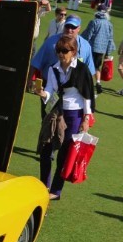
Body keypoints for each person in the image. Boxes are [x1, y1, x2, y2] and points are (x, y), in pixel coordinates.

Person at [37, 34, 94, 201]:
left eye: (65, 51)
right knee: (46, 149)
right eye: (58, 51)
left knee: (64, 154)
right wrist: (42, 93)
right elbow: (50, 91)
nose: (61, 54)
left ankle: (56, 190)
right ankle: (43, 186)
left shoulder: (81, 69)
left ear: (74, 52)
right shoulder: (53, 68)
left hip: (75, 114)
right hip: (56, 112)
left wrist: (86, 119)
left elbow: (87, 95)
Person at [81, 9, 115, 93]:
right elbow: (110, 39)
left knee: (87, 65)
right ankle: (98, 82)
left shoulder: (94, 22)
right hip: (102, 49)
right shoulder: (109, 24)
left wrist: (82, 44)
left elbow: (88, 35)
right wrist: (108, 52)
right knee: (97, 67)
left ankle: (86, 83)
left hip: (91, 47)